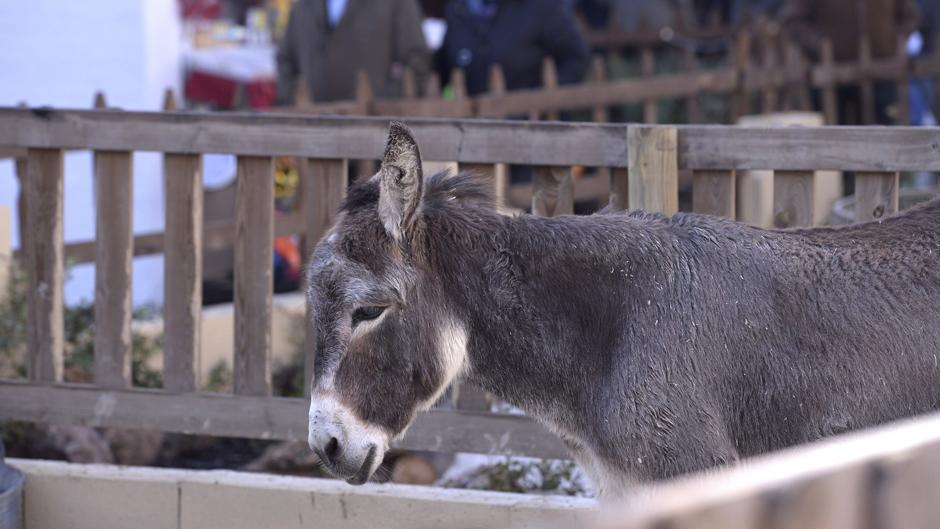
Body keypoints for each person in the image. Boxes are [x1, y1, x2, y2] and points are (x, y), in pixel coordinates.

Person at [781, 0, 920, 124]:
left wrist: (891, 42)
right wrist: (820, 45)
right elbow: (793, 21)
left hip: (881, 73)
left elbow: (910, 15)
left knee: (882, 134)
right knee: (833, 140)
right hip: (832, 77)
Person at [276, 0, 431, 104]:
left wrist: (381, 101)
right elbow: (286, 60)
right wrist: (294, 98)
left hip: (373, 129)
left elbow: (417, 61)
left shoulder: (395, 4)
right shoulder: (303, 5)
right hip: (313, 132)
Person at [435, 0, 590, 95]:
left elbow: (576, 58)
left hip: (533, 128)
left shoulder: (542, 6)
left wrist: (545, 100)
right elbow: (444, 66)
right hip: (471, 129)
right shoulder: (457, 9)